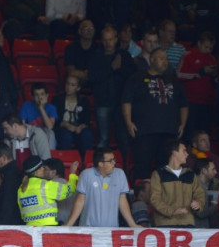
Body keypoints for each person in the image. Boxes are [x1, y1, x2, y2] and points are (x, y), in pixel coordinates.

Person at [122, 48, 188, 180]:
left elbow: (184, 104)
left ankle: (166, 198)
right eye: (161, 58)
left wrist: (183, 124)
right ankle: (139, 197)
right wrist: (129, 122)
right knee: (142, 167)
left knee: (167, 169)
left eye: (166, 59)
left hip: (169, 132)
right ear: (151, 60)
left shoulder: (173, 80)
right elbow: (126, 101)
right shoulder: (137, 78)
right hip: (144, 131)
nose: (165, 62)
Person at [65, 147, 140, 228]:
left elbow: (122, 201)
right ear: (100, 163)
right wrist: (69, 225)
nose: (114, 163)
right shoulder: (86, 174)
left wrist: (132, 224)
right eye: (111, 161)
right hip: (87, 228)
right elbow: (80, 201)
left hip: (111, 229)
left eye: (114, 159)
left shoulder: (120, 174)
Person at [88, 25, 135, 156]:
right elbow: (92, 77)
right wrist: (111, 68)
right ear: (102, 40)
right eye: (105, 39)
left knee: (123, 138)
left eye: (110, 39)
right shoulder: (96, 56)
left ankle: (125, 168)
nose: (108, 43)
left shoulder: (124, 56)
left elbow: (132, 76)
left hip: (121, 103)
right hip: (102, 101)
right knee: (103, 138)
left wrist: (119, 68)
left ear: (116, 39)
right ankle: (100, 165)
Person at [150, 140, 205, 227]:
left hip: (187, 224)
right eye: (184, 150)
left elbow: (199, 194)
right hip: (165, 224)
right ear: (174, 152)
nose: (187, 154)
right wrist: (172, 211)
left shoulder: (190, 174)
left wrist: (199, 203)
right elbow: (155, 199)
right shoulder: (158, 174)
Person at [176, 31, 218, 140]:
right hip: (191, 102)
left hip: (207, 103)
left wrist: (214, 75)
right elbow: (179, 74)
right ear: (199, 43)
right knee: (190, 134)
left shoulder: (212, 59)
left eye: (210, 48)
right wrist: (200, 72)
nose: (208, 50)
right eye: (206, 47)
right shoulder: (188, 55)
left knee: (204, 135)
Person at [18, 156, 76, 226]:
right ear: (36, 172)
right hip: (47, 229)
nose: (44, 169)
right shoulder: (45, 185)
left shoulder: (21, 189)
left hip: (30, 229)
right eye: (42, 167)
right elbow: (69, 190)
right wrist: (72, 174)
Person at [53, 75, 93, 155]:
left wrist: (80, 127)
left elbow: (86, 120)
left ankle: (85, 161)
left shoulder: (83, 101)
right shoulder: (57, 99)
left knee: (87, 134)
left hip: (78, 127)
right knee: (66, 136)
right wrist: (65, 124)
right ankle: (66, 160)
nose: (69, 87)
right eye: (67, 84)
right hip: (63, 127)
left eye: (72, 85)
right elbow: (54, 120)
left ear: (78, 88)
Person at [0, 142, 24, 226]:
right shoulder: (12, 173)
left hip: (10, 225)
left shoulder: (11, 176)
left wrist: (3, 227)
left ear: (4, 158)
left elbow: (8, 204)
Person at [19, 83, 58, 150]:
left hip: (45, 132)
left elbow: (50, 127)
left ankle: (51, 158)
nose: (40, 97)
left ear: (47, 95)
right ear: (32, 97)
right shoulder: (26, 105)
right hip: (30, 131)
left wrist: (41, 108)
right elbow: (22, 125)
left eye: (42, 94)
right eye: (36, 95)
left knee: (51, 133)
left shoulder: (51, 108)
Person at [42, 158, 79, 225]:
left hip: (58, 225)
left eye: (45, 169)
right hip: (72, 225)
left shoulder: (49, 185)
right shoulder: (71, 185)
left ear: (53, 172)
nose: (43, 171)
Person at [194, 158, 219, 228]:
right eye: (213, 169)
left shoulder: (201, 186)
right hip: (198, 229)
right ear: (204, 171)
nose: (216, 172)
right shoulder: (196, 187)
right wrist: (215, 206)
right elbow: (200, 213)